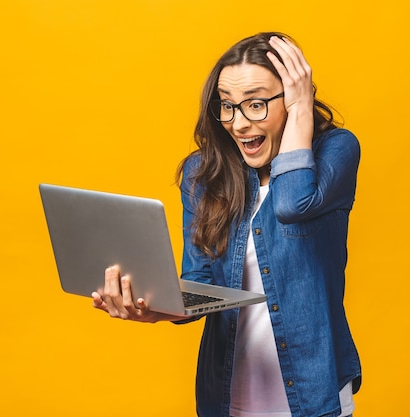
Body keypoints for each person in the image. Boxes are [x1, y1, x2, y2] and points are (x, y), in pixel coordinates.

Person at [92, 32, 362, 417]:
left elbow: (291, 203)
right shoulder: (201, 174)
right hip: (227, 398)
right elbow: (202, 285)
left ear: (291, 95)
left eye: (256, 104)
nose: (238, 123)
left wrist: (302, 110)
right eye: (228, 106)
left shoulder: (336, 151)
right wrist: (153, 308)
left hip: (313, 396)